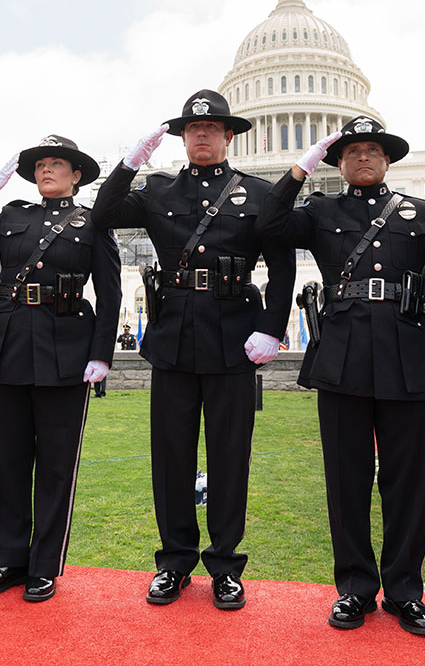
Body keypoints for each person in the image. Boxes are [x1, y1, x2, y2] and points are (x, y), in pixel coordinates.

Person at [258, 117, 425, 635]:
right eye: (352, 152)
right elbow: (268, 223)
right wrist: (299, 169)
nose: (364, 157)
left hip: (406, 354)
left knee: (407, 482)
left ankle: (405, 592)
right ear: (340, 162)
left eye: (373, 150)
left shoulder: (421, 213)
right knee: (346, 481)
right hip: (343, 358)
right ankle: (354, 588)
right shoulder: (321, 210)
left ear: (388, 160)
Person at [90, 89, 295, 610]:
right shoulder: (158, 189)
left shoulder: (257, 192)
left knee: (230, 457)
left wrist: (272, 327)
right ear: (182, 138)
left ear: (228, 136)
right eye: (192, 129)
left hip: (233, 338)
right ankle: (175, 561)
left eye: (211, 129)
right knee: (172, 458)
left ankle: (225, 565)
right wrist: (131, 162)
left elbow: (282, 262)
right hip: (174, 338)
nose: (201, 135)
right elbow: (103, 213)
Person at [0, 135, 121, 601]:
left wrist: (101, 353)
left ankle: (44, 564)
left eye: (57, 164)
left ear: (76, 175)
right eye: (40, 164)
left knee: (55, 465)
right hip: (7, 343)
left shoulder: (93, 223)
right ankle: (6, 560)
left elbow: (110, 294)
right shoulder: (11, 216)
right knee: (4, 462)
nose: (47, 170)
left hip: (66, 346)